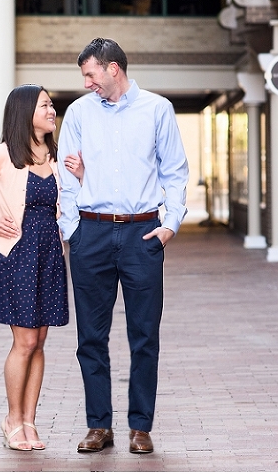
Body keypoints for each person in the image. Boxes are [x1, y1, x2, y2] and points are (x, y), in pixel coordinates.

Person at [57, 38, 189, 454]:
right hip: (91, 233)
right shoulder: (79, 113)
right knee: (90, 337)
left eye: (90, 74)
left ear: (112, 68)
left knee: (144, 335)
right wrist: (72, 230)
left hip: (142, 234)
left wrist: (170, 224)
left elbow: (175, 172)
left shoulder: (157, 109)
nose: (86, 83)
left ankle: (140, 427)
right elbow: (66, 177)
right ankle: (99, 425)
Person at [0, 84, 73, 452]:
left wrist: (81, 174)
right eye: (44, 106)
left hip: (50, 254)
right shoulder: (4, 155)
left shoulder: (57, 156)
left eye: (51, 105)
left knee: (40, 342)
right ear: (25, 113)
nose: (52, 111)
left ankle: (29, 421)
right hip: (18, 254)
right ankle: (12, 419)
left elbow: (74, 201)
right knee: (24, 342)